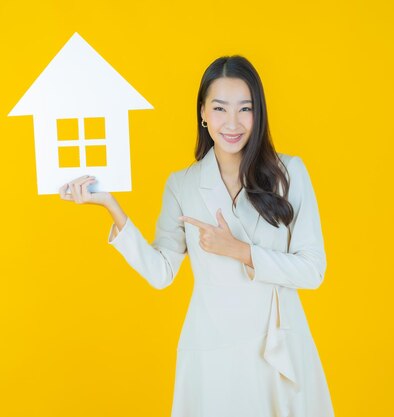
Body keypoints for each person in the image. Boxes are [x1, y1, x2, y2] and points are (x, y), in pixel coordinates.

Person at [59, 55, 335, 417]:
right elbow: (161, 273)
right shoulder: (182, 185)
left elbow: (312, 270)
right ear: (203, 113)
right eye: (219, 108)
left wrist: (240, 251)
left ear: (259, 113)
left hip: (278, 349)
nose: (232, 123)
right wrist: (111, 207)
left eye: (245, 109)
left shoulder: (289, 174)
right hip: (212, 350)